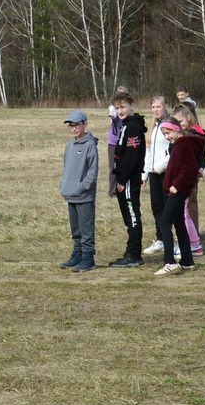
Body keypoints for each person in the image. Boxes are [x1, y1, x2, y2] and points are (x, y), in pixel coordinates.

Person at [155, 115, 203, 274]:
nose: (167, 136)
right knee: (179, 223)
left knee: (164, 222)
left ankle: (169, 261)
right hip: (177, 190)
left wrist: (177, 185)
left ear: (176, 129)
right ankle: (187, 261)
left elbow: (190, 169)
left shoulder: (182, 144)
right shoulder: (180, 144)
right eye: (164, 134)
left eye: (168, 132)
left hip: (178, 191)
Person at [107, 89, 147, 267]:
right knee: (128, 217)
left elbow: (131, 157)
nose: (120, 111)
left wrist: (122, 180)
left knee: (132, 216)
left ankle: (134, 254)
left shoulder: (133, 127)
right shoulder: (125, 125)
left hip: (129, 180)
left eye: (123, 107)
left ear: (132, 106)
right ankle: (130, 251)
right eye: (117, 108)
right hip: (124, 179)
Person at [59, 108, 100, 271]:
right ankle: (77, 254)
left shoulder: (90, 145)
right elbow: (66, 168)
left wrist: (84, 186)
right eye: (71, 126)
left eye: (77, 125)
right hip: (71, 194)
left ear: (85, 125)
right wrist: (64, 184)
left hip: (84, 195)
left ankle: (88, 257)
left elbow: (93, 170)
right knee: (76, 229)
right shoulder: (69, 146)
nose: (74, 128)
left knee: (86, 228)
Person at [175, 101, 205, 254]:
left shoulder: (191, 134)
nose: (179, 125)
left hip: (189, 176)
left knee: (187, 209)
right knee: (188, 207)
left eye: (180, 121)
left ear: (188, 118)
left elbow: (204, 148)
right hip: (190, 174)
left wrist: (200, 165)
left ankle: (192, 241)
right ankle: (190, 239)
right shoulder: (193, 132)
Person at [141, 94, 172, 258]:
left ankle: (174, 242)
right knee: (157, 207)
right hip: (154, 173)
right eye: (153, 107)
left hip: (167, 173)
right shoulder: (154, 127)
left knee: (169, 209)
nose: (155, 110)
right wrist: (145, 173)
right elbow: (149, 151)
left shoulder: (170, 124)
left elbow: (173, 152)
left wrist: (159, 167)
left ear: (165, 106)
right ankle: (160, 239)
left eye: (158, 106)